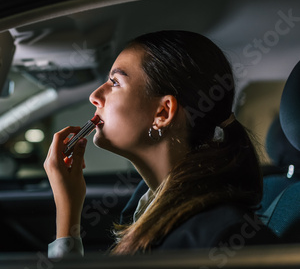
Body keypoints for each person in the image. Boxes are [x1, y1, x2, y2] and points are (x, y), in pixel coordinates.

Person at [44, 30, 278, 257]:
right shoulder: (142, 210)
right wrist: (69, 207)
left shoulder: (222, 238)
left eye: (115, 82)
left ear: (163, 112)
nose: (94, 95)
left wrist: (66, 214)